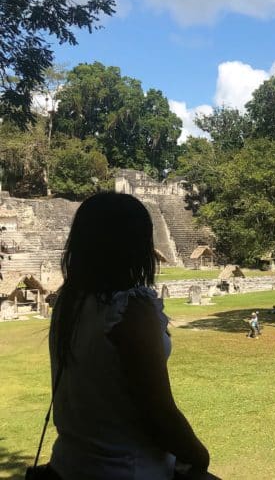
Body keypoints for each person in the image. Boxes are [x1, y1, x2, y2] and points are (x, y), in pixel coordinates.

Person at [48, 192, 213, 479]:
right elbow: (160, 415)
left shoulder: (69, 302)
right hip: (125, 468)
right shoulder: (130, 309)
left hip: (70, 464)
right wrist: (199, 456)